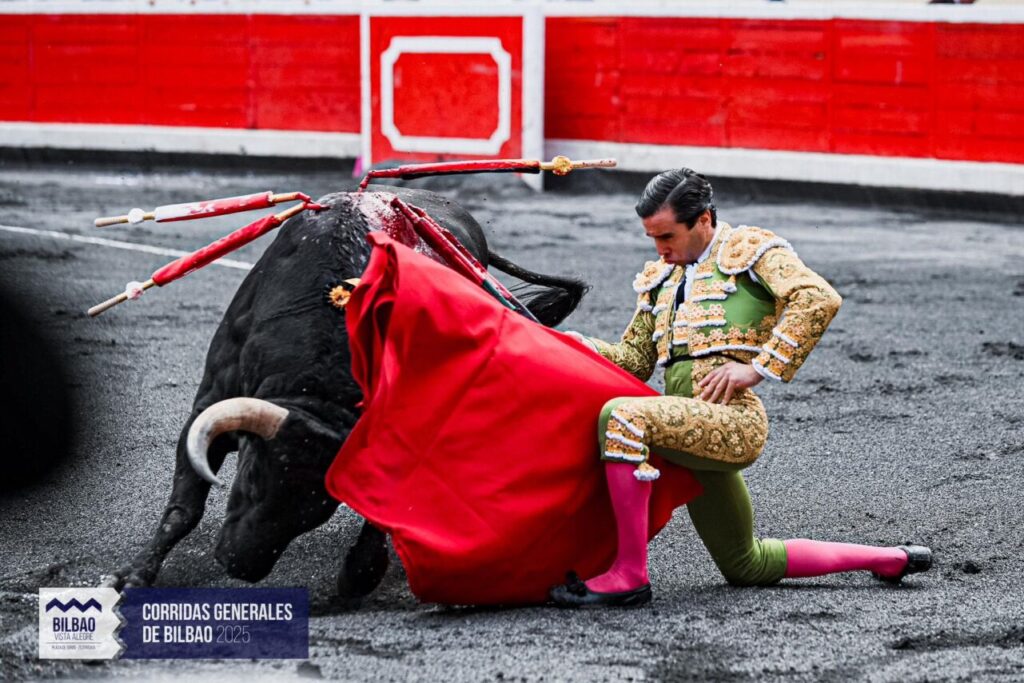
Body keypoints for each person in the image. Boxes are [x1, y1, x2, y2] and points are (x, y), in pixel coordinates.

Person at [550, 169, 932, 607]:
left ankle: (630, 574)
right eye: (652, 238)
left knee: (623, 417)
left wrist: (757, 369)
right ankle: (889, 558)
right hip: (684, 423)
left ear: (704, 220)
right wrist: (568, 343)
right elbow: (633, 360)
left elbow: (817, 297)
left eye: (668, 236)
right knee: (745, 563)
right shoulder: (662, 277)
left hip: (732, 420)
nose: (660, 250)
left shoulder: (749, 250)